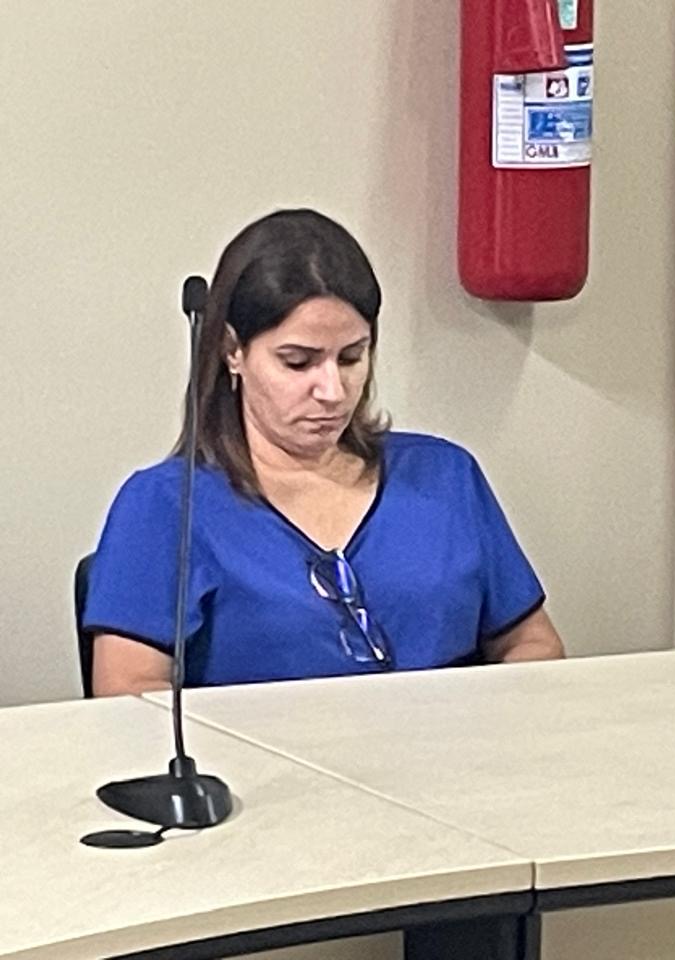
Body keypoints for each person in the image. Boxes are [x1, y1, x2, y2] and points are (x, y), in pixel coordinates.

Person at [86, 209, 564, 695]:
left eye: (352, 357)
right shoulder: (168, 505)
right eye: (298, 362)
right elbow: (128, 692)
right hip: (259, 746)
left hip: (447, 739)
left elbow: (533, 645)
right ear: (233, 351)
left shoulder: (444, 475)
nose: (332, 391)